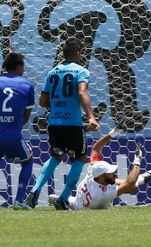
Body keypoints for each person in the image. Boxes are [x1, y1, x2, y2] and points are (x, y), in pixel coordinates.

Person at [26, 38, 100, 209]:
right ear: (78, 54)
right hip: (73, 124)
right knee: (80, 158)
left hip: (54, 124)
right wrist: (91, 117)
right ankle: (63, 198)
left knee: (56, 156)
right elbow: (82, 92)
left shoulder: (52, 73)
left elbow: (43, 101)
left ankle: (35, 191)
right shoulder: (81, 71)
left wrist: (58, 105)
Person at [48, 129, 151, 210]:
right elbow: (130, 183)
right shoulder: (102, 194)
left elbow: (96, 149)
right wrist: (137, 160)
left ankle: (59, 199)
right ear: (101, 176)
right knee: (132, 186)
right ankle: (144, 177)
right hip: (81, 207)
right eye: (110, 172)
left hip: (79, 200)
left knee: (122, 183)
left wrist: (113, 133)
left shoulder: (92, 171)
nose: (114, 173)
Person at [0, 52, 35, 210]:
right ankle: (19, 201)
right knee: (27, 161)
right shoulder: (27, 86)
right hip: (13, 137)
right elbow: (26, 118)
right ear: (20, 66)